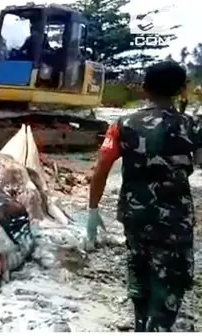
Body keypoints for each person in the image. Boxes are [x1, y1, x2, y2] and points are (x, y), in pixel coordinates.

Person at [86, 61, 198, 332]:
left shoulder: (123, 124)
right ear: (182, 90)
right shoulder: (189, 125)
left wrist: (92, 209)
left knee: (139, 270)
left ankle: (140, 325)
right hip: (175, 220)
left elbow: (101, 167)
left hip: (135, 215)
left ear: (145, 88)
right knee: (171, 280)